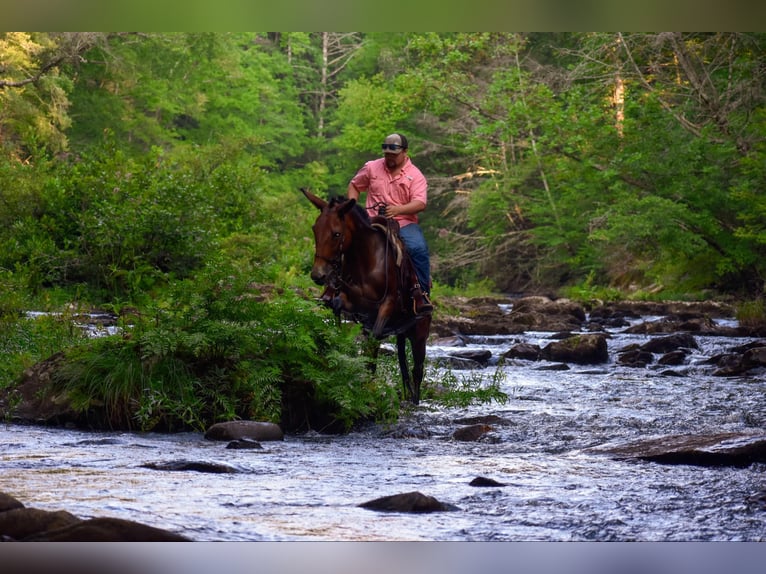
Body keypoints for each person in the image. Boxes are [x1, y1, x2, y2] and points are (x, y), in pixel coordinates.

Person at [346, 133, 433, 316]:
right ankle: (334, 289)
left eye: (393, 155)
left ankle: (421, 294)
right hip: (371, 220)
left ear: (405, 152)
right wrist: (352, 208)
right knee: (341, 240)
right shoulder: (371, 167)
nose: (389, 158)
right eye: (386, 155)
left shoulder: (415, 176)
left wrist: (398, 210)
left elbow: (420, 203)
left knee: (418, 248)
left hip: (403, 223)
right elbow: (354, 185)